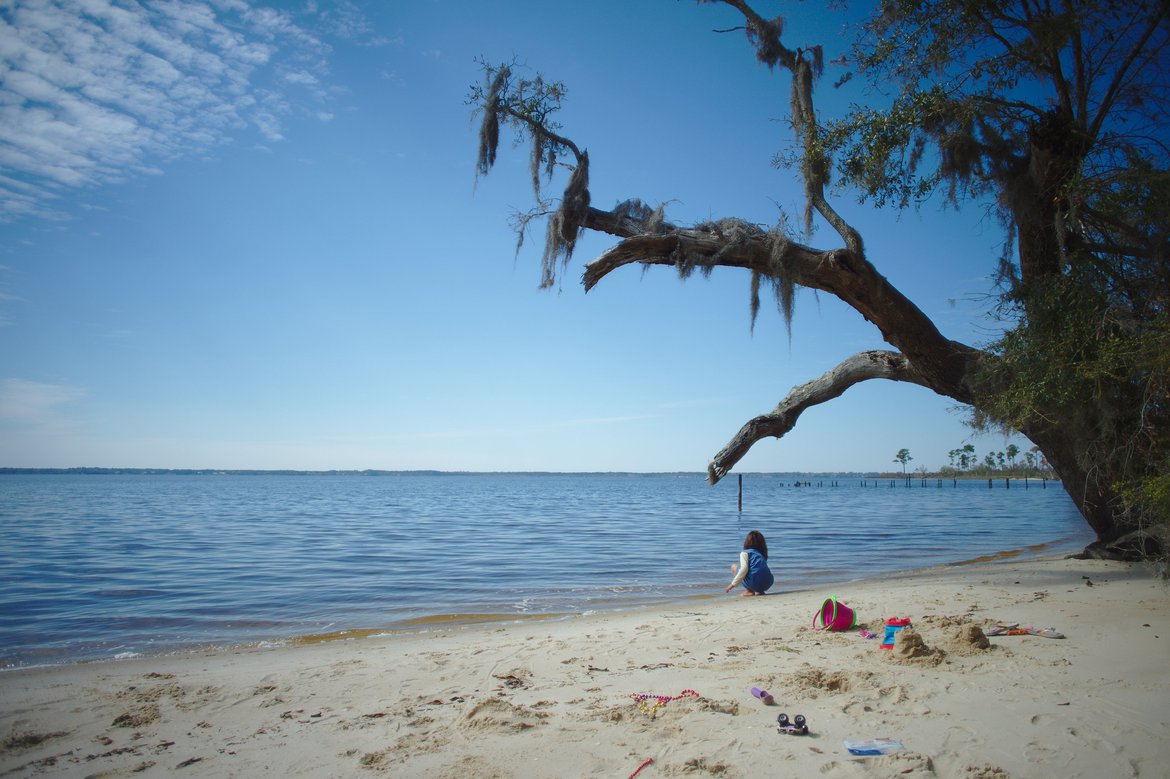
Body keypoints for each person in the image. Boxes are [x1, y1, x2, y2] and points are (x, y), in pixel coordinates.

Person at [724, 530, 773, 596]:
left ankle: (749, 590)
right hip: (768, 583)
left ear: (746, 542)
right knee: (757, 570)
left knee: (734, 566)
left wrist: (732, 584)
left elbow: (744, 569)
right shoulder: (761, 554)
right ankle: (760, 591)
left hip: (754, 582)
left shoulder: (745, 553)